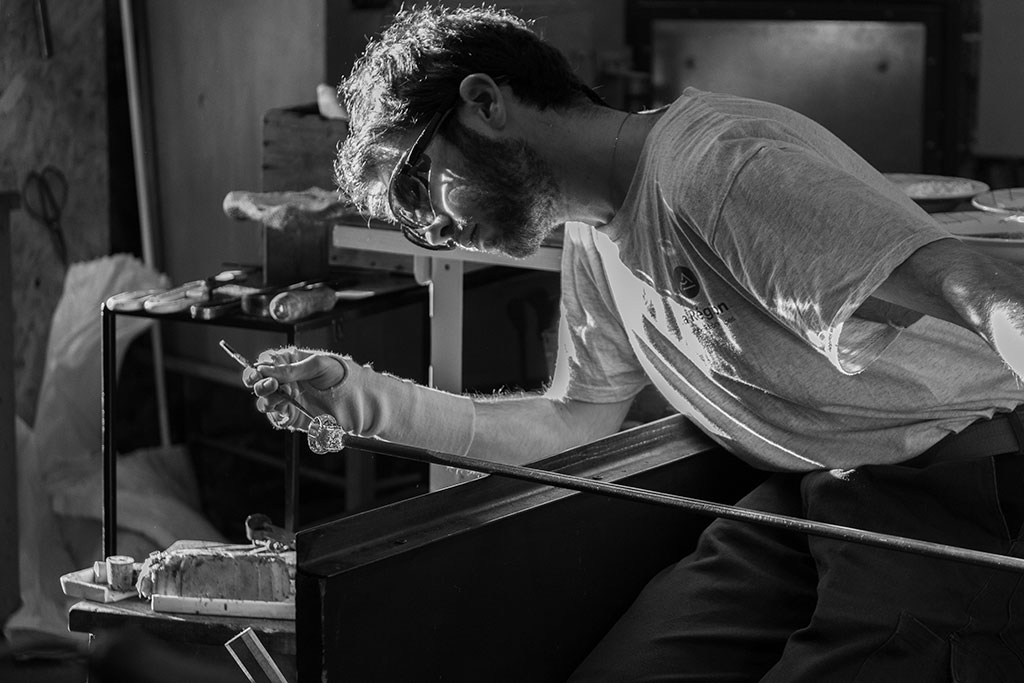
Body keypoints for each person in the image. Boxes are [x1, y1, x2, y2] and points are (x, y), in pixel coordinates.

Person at [241, 5, 1024, 681]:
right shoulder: (594, 232)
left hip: (952, 488)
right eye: (409, 221)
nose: (435, 230)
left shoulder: (713, 171)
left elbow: (974, 282)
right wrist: (360, 397)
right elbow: (573, 421)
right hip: (811, 491)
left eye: (419, 187)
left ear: (484, 102)